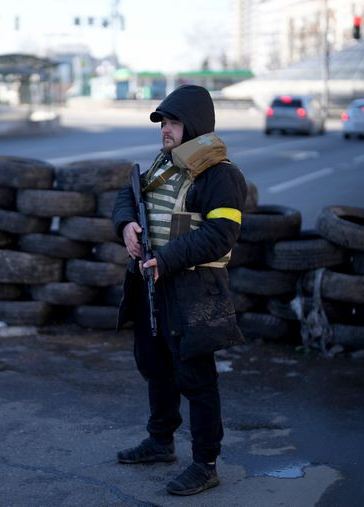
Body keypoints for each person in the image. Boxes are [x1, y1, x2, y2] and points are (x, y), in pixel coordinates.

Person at [111, 84, 247, 496]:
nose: (165, 131)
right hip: (152, 283)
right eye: (163, 123)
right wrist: (126, 225)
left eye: (173, 123)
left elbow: (221, 234)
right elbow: (126, 196)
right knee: (155, 366)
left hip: (194, 290)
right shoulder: (162, 164)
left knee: (196, 379)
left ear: (194, 126)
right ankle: (160, 442)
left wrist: (167, 259)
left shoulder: (221, 175)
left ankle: (205, 464)